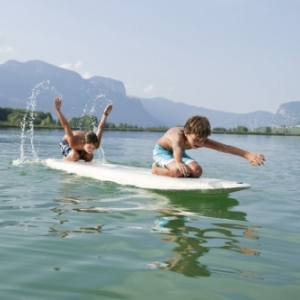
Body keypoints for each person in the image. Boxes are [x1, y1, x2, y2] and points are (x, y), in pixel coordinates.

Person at [152, 115, 265, 178]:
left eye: (202, 141)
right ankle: (156, 169)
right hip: (163, 151)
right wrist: (179, 163)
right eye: (196, 140)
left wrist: (247, 155)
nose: (199, 144)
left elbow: (224, 147)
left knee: (197, 171)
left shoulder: (200, 139)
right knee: (178, 171)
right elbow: (176, 147)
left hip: (180, 152)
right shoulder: (178, 136)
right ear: (186, 132)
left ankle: (179, 175)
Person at [54, 97, 113, 162]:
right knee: (75, 156)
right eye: (89, 147)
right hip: (66, 142)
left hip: (81, 147)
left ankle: (79, 155)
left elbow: (100, 128)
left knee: (89, 157)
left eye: (93, 147)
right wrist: (58, 109)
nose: (91, 149)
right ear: (83, 143)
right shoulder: (73, 141)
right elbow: (66, 125)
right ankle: (66, 157)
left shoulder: (95, 143)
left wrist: (105, 114)